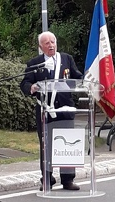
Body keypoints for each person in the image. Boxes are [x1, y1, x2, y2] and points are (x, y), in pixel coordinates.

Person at [20, 31, 83, 191]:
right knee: (46, 145)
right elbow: (25, 83)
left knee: (67, 143)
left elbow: (77, 77)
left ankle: (67, 179)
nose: (51, 45)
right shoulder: (35, 64)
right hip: (45, 111)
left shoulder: (66, 59)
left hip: (65, 109)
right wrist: (31, 88)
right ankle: (47, 178)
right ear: (41, 47)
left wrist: (84, 80)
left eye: (53, 42)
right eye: (47, 43)